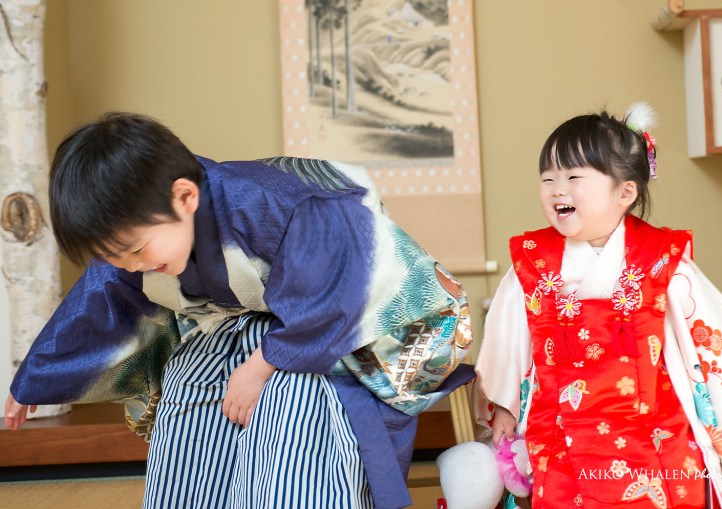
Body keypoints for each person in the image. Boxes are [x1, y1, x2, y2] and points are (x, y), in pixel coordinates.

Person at [4, 112, 475, 509]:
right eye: (117, 257)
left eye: (137, 251)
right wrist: (37, 380)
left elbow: (339, 289)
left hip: (359, 320)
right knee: (190, 380)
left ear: (185, 197)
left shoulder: (270, 202)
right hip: (265, 318)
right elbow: (99, 300)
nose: (133, 267)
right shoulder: (139, 245)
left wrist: (260, 366)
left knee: (293, 397)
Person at [473, 104, 722, 509]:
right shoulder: (532, 262)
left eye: (574, 177)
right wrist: (505, 404)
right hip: (561, 421)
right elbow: (508, 342)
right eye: (548, 178)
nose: (559, 188)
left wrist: (721, 410)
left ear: (625, 192)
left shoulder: (660, 257)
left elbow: (700, 335)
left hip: (657, 422)